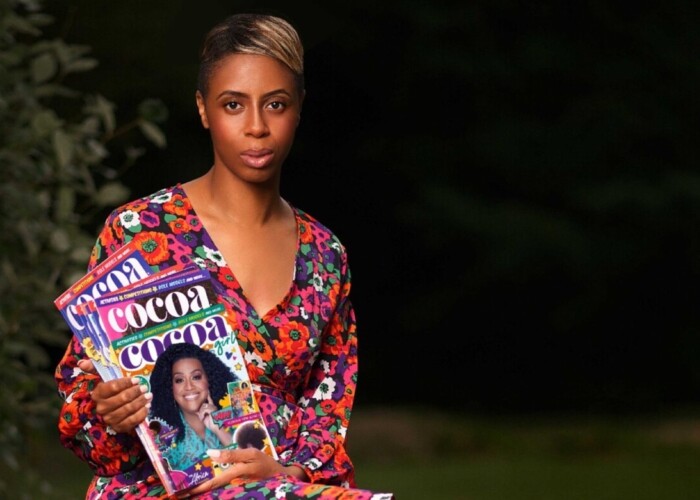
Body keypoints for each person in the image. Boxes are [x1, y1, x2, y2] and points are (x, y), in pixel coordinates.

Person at [54, 13, 394, 500]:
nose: (256, 127)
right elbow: (82, 396)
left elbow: (326, 412)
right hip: (163, 488)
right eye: (233, 105)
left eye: (275, 104)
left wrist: (285, 473)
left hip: (280, 488)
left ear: (299, 108)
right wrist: (110, 410)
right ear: (203, 109)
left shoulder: (325, 254)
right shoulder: (142, 231)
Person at [150, 343, 236, 472]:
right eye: (179, 380)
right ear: (169, 387)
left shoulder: (236, 411)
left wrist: (219, 429)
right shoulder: (161, 434)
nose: (189, 387)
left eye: (196, 377)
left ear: (209, 379)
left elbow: (252, 459)